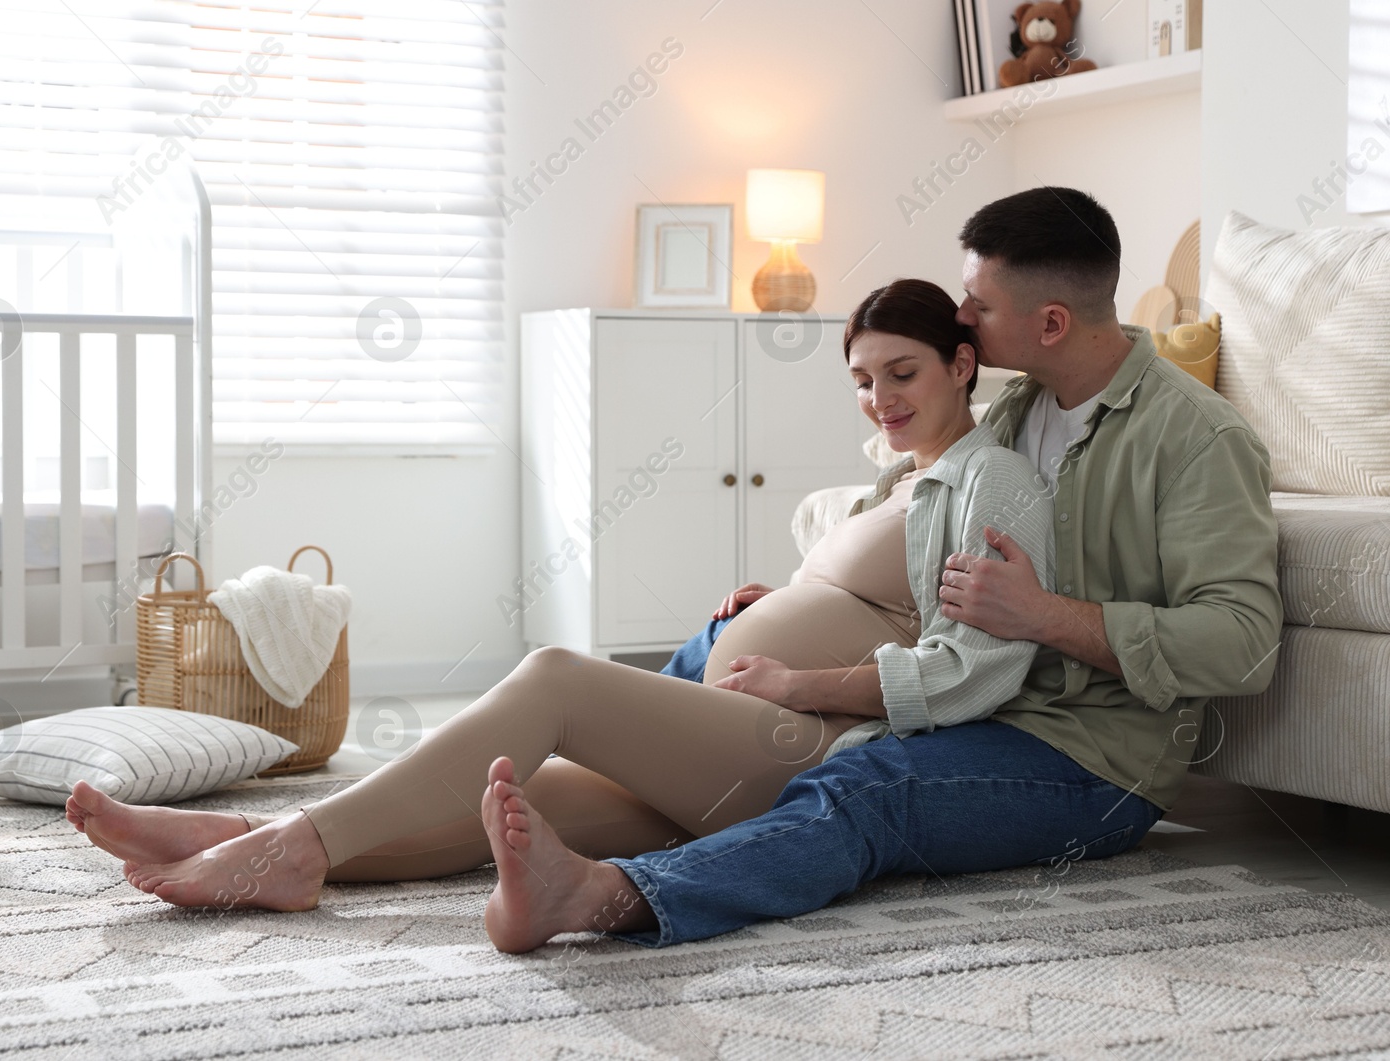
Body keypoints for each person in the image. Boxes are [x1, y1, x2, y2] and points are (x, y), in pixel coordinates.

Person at [65, 278, 1056, 911]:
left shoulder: (989, 478)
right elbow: (886, 592)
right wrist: (778, 596)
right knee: (512, 799)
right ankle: (237, 844)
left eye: (902, 372)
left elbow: (970, 668)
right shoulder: (898, 477)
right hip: (727, 738)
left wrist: (799, 676)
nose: (878, 397)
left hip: (802, 746)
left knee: (553, 678)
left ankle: (290, 842)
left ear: (962, 365)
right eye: (860, 378)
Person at [473, 186, 1284, 952]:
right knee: (697, 665)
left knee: (866, 787)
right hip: (972, 708)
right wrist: (802, 596)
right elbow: (920, 511)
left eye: (980, 305)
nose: (959, 314)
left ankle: (603, 895)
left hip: (1091, 762)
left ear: (1051, 322)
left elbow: (1243, 645)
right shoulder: (1014, 407)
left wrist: (1043, 615)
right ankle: (387, 842)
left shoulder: (1197, 440)